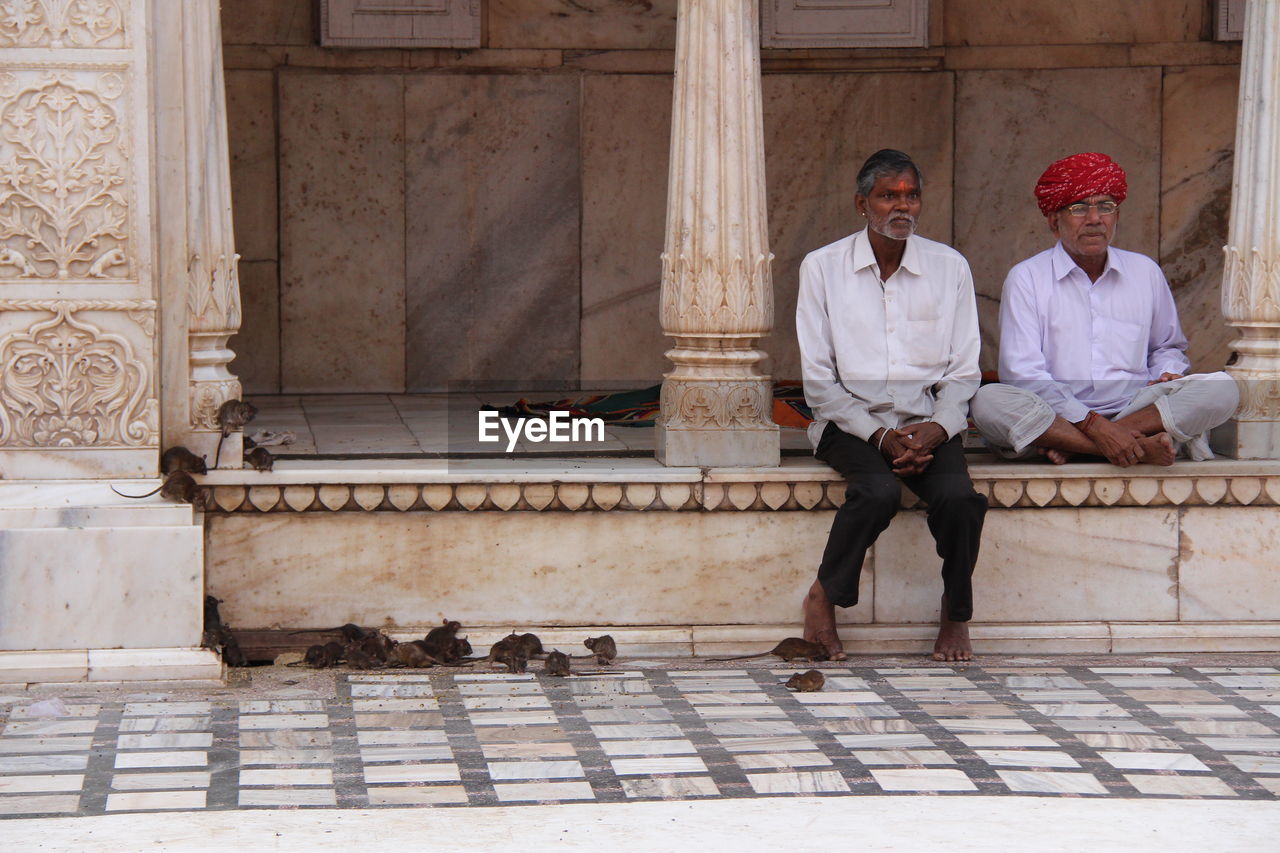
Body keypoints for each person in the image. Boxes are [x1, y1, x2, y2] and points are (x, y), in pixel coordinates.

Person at [797, 149, 987, 663]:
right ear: (862, 203)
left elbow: (963, 369)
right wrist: (878, 436)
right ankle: (823, 597)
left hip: (927, 423)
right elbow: (818, 380)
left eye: (910, 195)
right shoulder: (822, 268)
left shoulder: (950, 268)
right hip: (850, 423)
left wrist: (940, 427)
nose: (901, 207)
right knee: (877, 491)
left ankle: (956, 613)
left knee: (959, 500)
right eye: (888, 196)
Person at [971, 152, 1239, 466]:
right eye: (1079, 208)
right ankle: (1132, 447)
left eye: (1105, 207)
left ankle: (1081, 446)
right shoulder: (1027, 277)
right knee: (988, 401)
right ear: (1053, 221)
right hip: (1056, 414)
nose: (1095, 218)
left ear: (1116, 217)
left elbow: (1167, 346)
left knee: (1224, 388)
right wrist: (1089, 423)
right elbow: (1022, 373)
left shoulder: (1144, 272)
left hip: (1137, 409)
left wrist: (1167, 372)